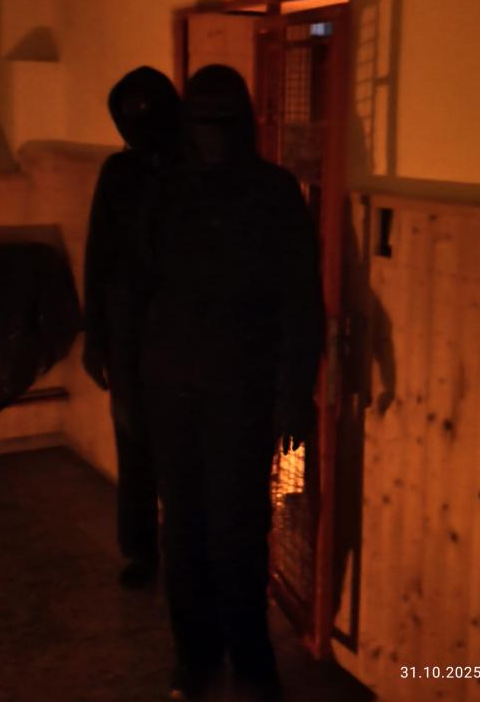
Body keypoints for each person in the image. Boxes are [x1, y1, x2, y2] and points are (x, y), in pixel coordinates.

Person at [140, 64, 324, 701]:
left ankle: (246, 659)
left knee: (237, 530)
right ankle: (198, 657)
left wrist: (293, 395)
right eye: (201, 123)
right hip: (178, 388)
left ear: (240, 123)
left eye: (221, 123)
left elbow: (301, 300)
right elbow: (141, 291)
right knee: (186, 531)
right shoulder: (168, 191)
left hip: (240, 393)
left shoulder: (271, 193)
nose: (211, 136)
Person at [82, 66, 181, 589]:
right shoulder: (119, 172)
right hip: (128, 334)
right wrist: (96, 337)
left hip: (176, 333)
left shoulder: (189, 171)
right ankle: (143, 550)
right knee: (135, 442)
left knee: (176, 445)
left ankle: (179, 548)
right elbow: (99, 254)